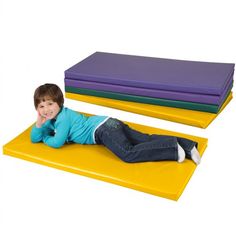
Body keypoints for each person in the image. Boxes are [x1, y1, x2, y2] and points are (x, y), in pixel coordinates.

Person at [31, 83, 201, 164]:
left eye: (50, 104)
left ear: (60, 103)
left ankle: (172, 149)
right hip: (109, 122)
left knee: (128, 153)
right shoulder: (51, 119)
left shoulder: (62, 119)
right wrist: (40, 124)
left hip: (103, 131)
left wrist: (45, 137)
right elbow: (33, 138)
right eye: (41, 106)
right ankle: (187, 146)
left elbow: (57, 142)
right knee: (145, 139)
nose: (46, 110)